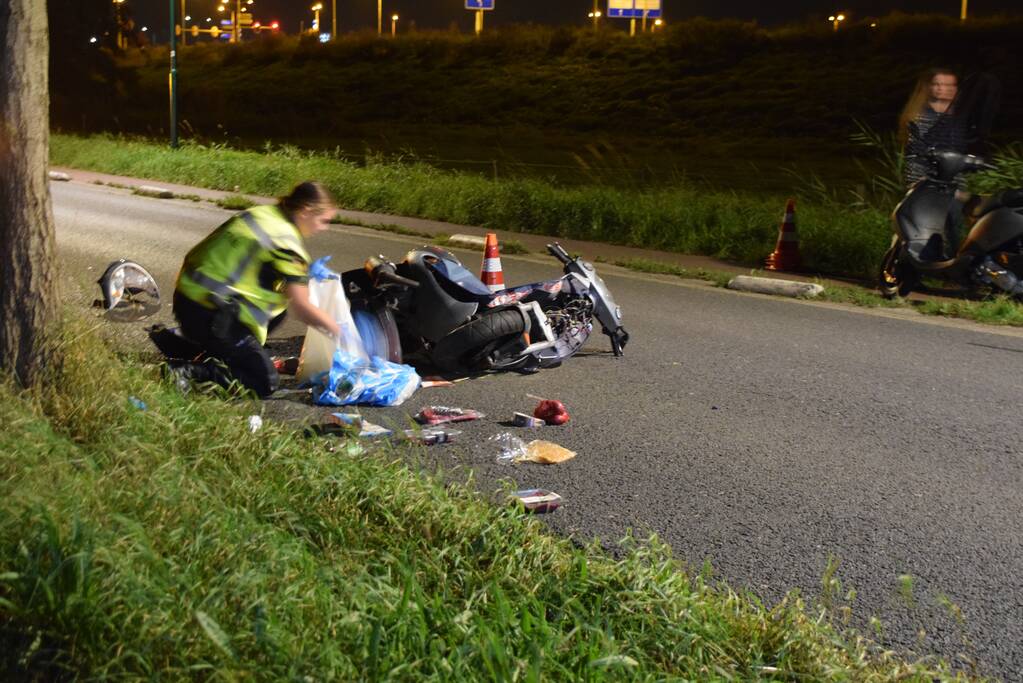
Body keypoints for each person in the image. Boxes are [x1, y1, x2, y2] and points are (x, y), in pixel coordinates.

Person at [167, 181, 341, 397]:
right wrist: (339, 332)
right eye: (323, 220)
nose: (324, 228)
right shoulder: (286, 243)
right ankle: (188, 371)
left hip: (188, 299)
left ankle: (223, 351)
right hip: (210, 316)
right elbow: (302, 307)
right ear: (306, 211)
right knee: (264, 382)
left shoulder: (262, 214)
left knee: (278, 308)